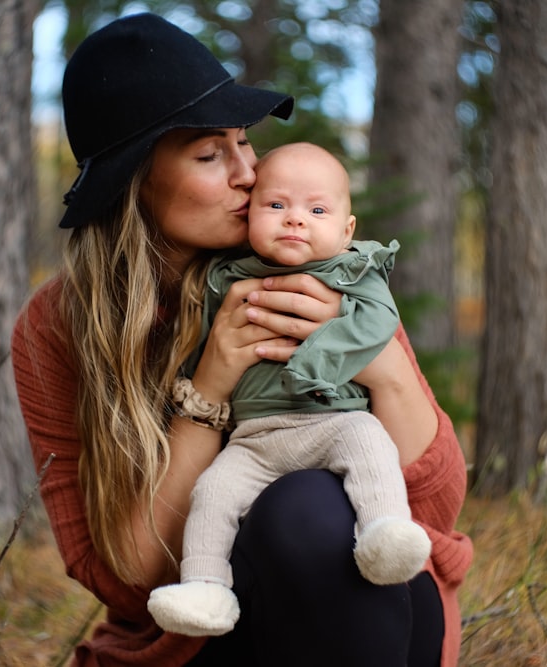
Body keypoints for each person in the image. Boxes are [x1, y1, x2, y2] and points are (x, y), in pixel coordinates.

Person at [10, 12, 473, 667]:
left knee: (306, 508)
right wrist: (210, 386)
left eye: (244, 142)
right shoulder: (59, 327)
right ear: (134, 185)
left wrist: (381, 363)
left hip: (372, 608)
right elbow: (126, 577)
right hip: (200, 633)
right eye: (210, 154)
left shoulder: (315, 262)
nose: (248, 173)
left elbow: (435, 504)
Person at [147, 142, 431, 638]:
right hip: (254, 437)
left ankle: (383, 531)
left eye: (316, 210)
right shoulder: (226, 275)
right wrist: (199, 382)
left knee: (368, 440)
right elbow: (197, 340)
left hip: (332, 421)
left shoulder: (352, 271)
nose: (295, 220)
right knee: (213, 491)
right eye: (276, 206)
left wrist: (319, 354)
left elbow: (379, 323)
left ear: (347, 230)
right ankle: (205, 585)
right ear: (249, 214)